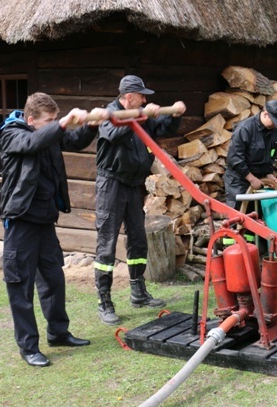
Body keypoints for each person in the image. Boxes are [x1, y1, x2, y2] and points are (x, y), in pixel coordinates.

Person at [0, 92, 108, 367]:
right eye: (49, 120)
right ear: (31, 120)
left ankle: (58, 333)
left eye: (55, 119)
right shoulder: (12, 134)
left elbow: (73, 141)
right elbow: (31, 143)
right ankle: (29, 347)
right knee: (20, 285)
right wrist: (64, 123)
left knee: (54, 279)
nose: (54, 123)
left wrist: (91, 125)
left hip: (44, 221)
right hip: (21, 221)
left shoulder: (46, 130)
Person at [94, 75, 186, 325]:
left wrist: (174, 115)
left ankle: (138, 292)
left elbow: (162, 129)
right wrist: (142, 114)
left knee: (138, 239)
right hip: (111, 184)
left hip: (134, 186)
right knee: (107, 242)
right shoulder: (109, 114)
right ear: (130, 97)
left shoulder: (139, 114)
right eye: (142, 96)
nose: (145, 99)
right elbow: (115, 135)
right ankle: (104, 301)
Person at [224, 99, 277, 210]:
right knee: (238, 219)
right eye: (275, 122)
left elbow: (271, 155)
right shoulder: (245, 129)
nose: (276, 126)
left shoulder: (275, 132)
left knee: (256, 218)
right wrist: (251, 179)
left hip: (259, 180)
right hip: (239, 182)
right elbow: (234, 159)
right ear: (266, 114)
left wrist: (269, 173)